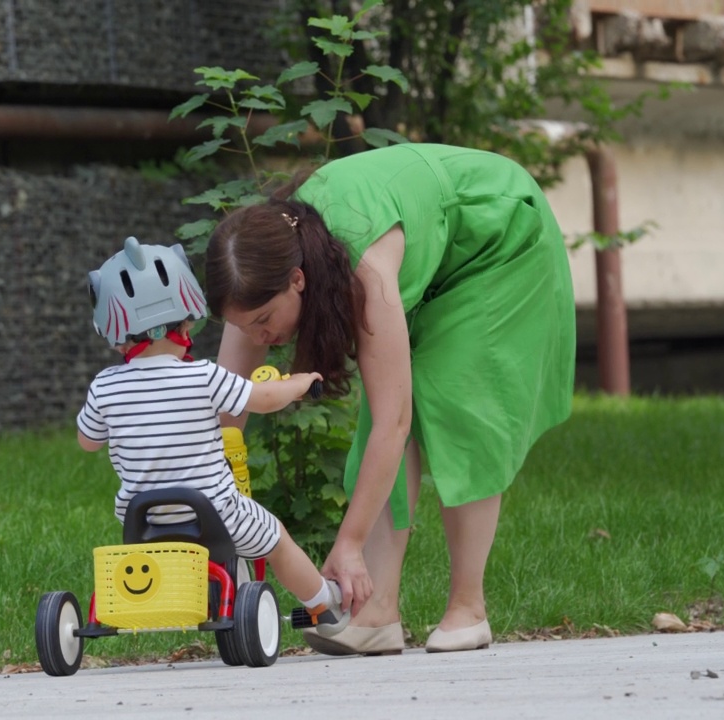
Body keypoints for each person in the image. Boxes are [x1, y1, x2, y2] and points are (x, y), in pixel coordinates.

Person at [203, 143, 576, 655]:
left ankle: (469, 608)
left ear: (298, 281)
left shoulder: (364, 272)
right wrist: (197, 486)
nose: (259, 335)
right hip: (436, 252)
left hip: (501, 239)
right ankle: (376, 612)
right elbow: (225, 403)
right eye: (245, 325)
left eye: (265, 321)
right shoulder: (257, 276)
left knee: (456, 405)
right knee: (382, 423)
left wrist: (348, 544)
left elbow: (393, 424)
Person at [76, 236, 348, 638]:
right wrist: (299, 382)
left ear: (116, 334)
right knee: (275, 539)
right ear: (187, 320)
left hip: (142, 519)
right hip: (216, 511)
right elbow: (264, 398)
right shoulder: (202, 376)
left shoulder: (105, 386)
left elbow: (88, 442)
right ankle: (324, 603)